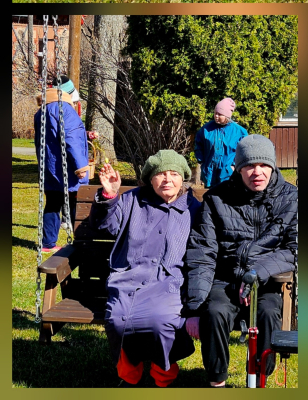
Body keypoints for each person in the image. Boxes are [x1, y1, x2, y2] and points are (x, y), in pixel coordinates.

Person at [185, 135, 297, 388]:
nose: (257, 172)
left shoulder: (291, 198)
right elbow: (202, 253)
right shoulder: (217, 199)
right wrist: (194, 308)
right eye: (249, 165)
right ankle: (217, 381)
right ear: (238, 168)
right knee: (214, 313)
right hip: (225, 278)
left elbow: (293, 249)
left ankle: (261, 379)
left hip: (266, 280)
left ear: (273, 166)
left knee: (268, 313)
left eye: (264, 165)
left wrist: (257, 273)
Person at [89, 150, 200, 388]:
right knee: (119, 320)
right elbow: (104, 226)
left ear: (183, 179)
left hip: (169, 284)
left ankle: (163, 377)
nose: (167, 179)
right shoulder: (132, 200)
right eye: (160, 174)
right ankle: (130, 376)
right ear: (150, 178)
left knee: (161, 322)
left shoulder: (194, 209)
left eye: (173, 174)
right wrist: (109, 195)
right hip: (128, 279)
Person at [34, 78, 90, 253]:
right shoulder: (65, 110)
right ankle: (82, 239)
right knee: (76, 202)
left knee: (52, 203)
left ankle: (47, 243)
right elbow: (71, 139)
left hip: (49, 166)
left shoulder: (42, 110)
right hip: (67, 167)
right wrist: (81, 166)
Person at [193, 98, 248, 188]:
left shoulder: (239, 132)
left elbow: (244, 151)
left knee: (227, 197)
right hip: (210, 172)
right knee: (211, 197)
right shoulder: (206, 129)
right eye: (215, 113)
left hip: (228, 173)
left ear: (227, 115)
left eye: (219, 114)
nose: (216, 116)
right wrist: (202, 162)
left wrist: (234, 166)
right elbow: (198, 145)